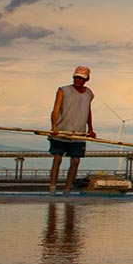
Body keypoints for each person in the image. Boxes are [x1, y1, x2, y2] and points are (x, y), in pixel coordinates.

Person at [48, 66, 96, 195]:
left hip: (79, 133)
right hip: (61, 131)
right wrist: (53, 127)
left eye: (81, 78)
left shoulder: (89, 93)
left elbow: (88, 111)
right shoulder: (63, 90)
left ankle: (67, 188)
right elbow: (56, 109)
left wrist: (91, 129)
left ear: (86, 80)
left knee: (75, 161)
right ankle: (52, 187)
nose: (77, 80)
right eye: (76, 77)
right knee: (57, 159)